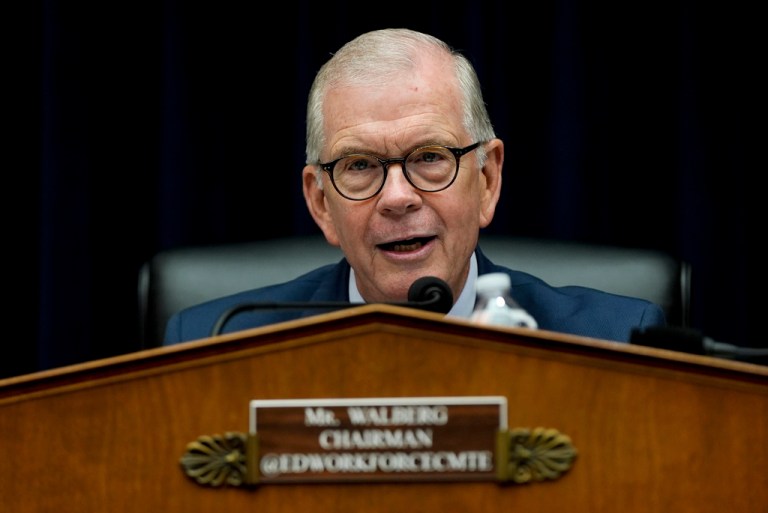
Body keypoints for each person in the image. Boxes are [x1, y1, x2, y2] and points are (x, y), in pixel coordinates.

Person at [163, 28, 665, 345]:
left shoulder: (618, 341)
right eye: (359, 164)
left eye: (429, 158)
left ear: (487, 180)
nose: (398, 198)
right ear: (320, 202)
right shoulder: (217, 345)